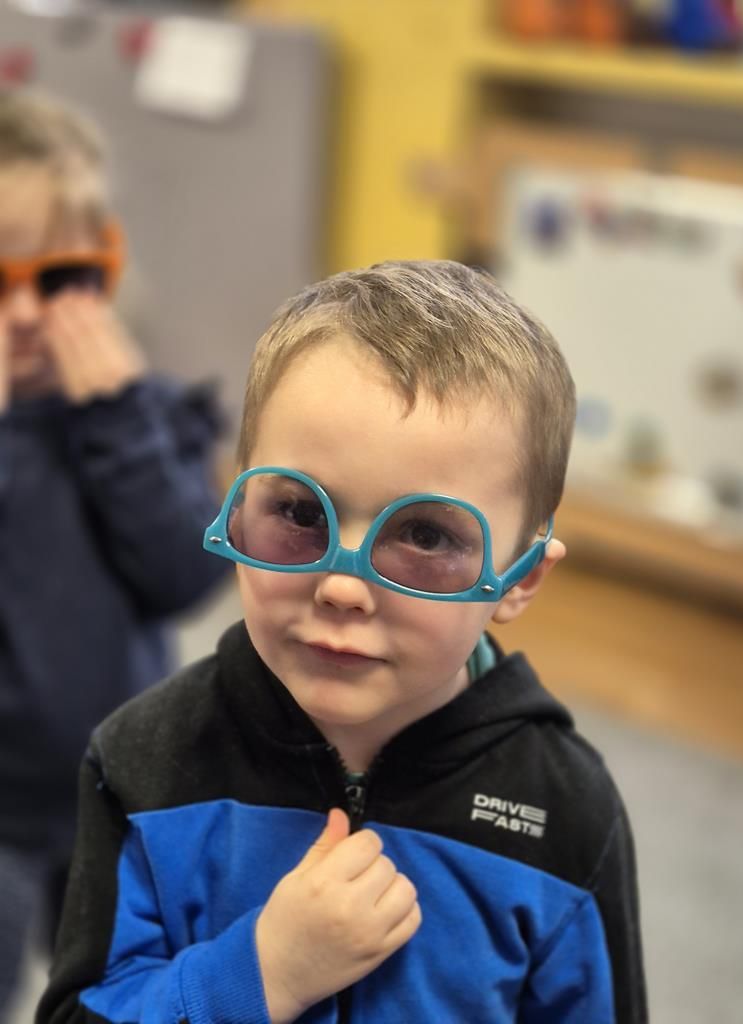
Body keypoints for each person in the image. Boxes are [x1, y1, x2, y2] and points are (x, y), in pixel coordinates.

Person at [37, 260, 647, 1023]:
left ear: (519, 581)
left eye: (426, 535)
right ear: (234, 512)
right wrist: (258, 974)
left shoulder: (566, 812)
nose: (342, 586)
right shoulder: (142, 764)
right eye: (300, 513)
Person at [0, 89, 230, 1017]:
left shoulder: (145, 414)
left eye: (58, 277)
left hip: (121, 789)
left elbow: (185, 574)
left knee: (116, 993)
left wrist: (122, 423)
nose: (25, 313)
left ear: (106, 264)